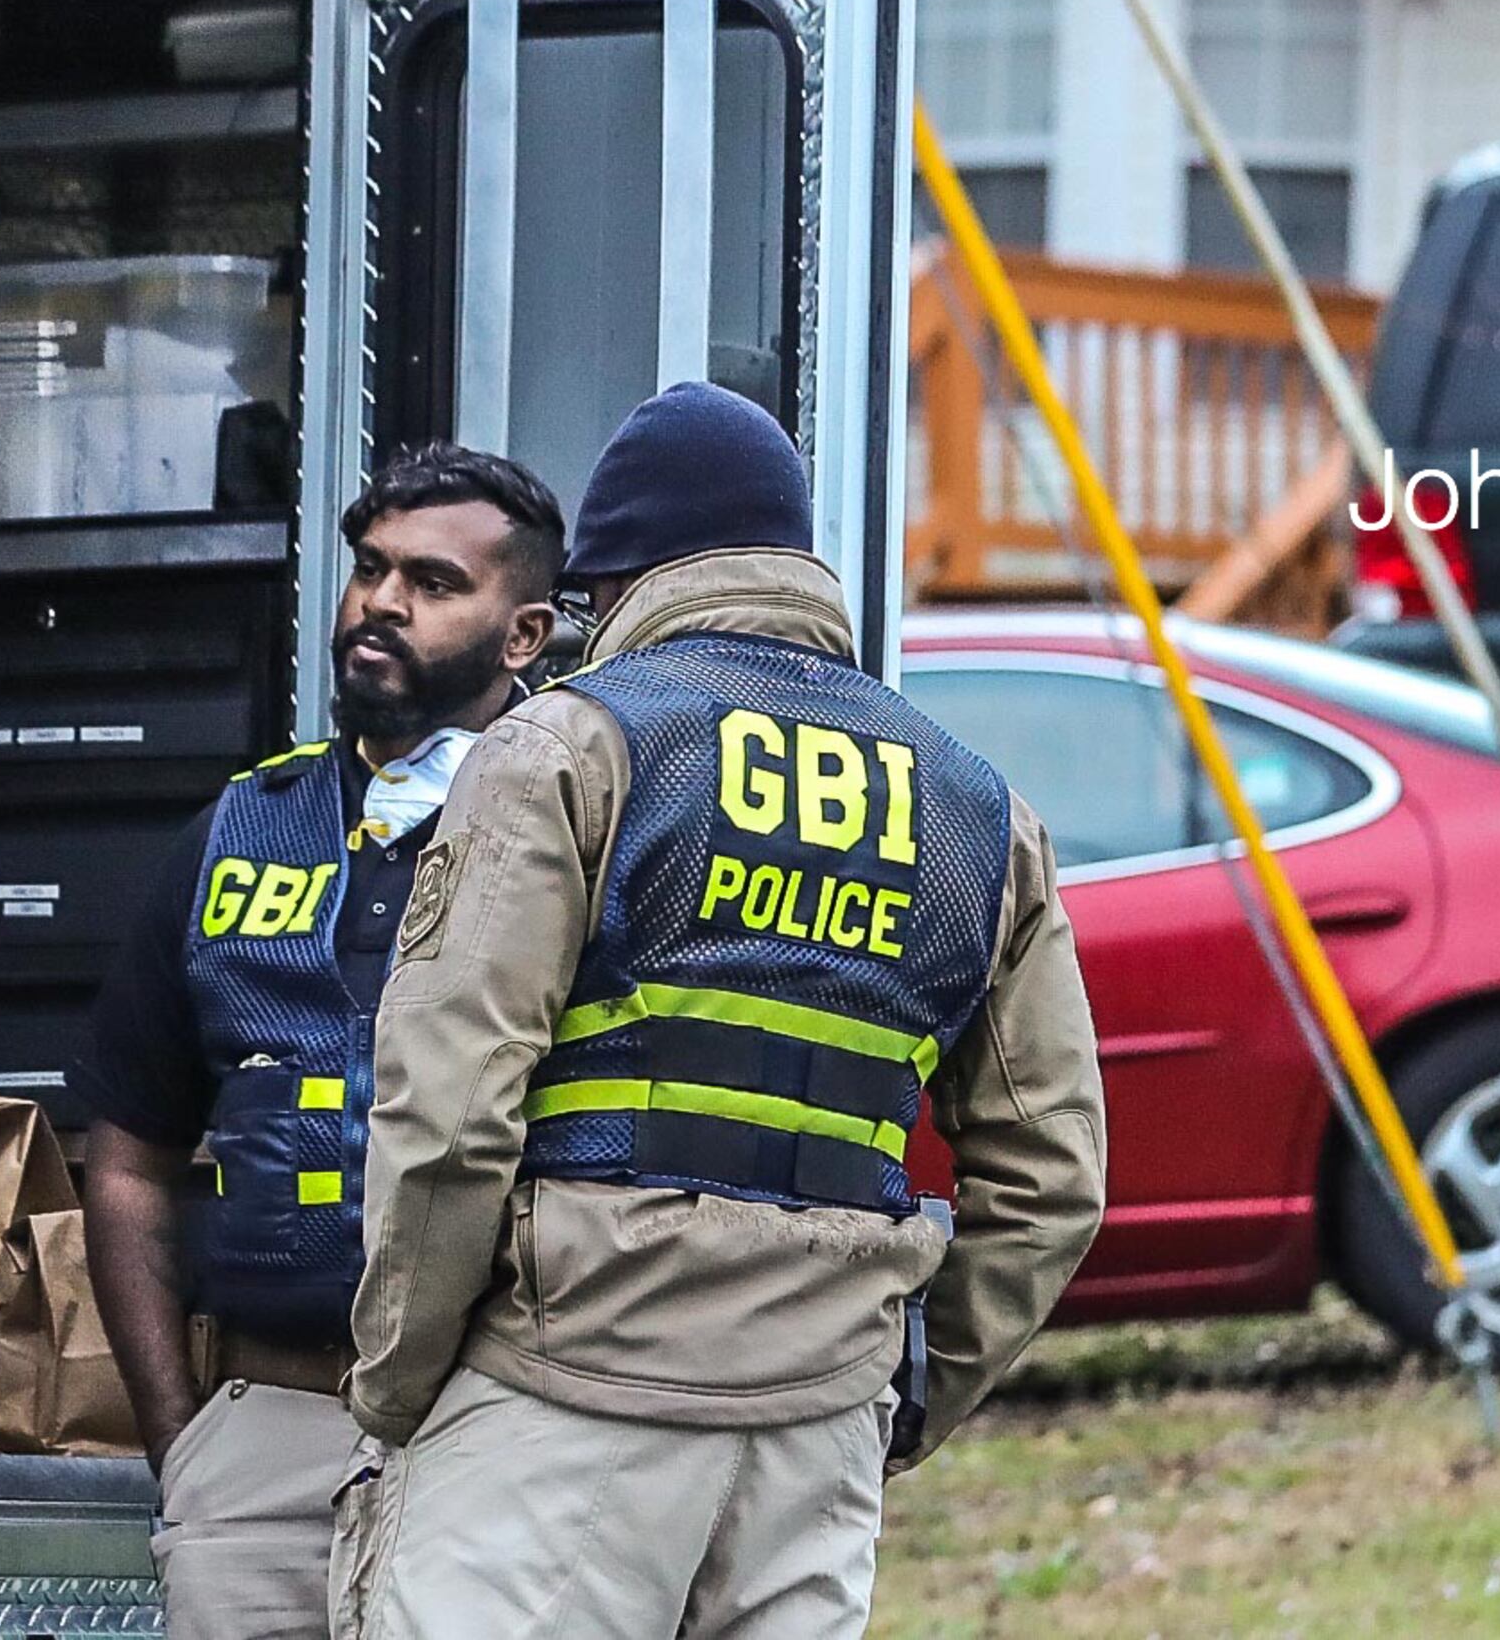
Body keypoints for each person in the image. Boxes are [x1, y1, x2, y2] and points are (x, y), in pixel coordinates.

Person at [338, 383, 1109, 1640]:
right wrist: (898, 1394)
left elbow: (449, 1119)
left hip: (559, 1405)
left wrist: (401, 1381)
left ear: (623, 578)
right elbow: (1054, 1179)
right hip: (813, 1438)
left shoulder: (564, 753)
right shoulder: (979, 810)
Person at [72, 444, 567, 1640]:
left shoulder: (571, 829)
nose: (381, 604)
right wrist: (183, 1439)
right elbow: (127, 1155)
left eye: (435, 583)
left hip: (496, 1431)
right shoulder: (240, 829)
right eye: (369, 570)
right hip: (264, 1431)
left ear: (524, 633)